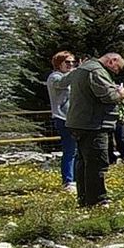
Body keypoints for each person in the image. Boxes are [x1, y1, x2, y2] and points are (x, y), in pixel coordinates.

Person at [63, 52, 124, 208]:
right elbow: (107, 95)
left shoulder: (84, 68)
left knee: (83, 162)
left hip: (80, 122)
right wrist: (121, 93)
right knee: (96, 162)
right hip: (93, 124)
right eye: (116, 69)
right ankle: (97, 199)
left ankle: (84, 198)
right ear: (112, 61)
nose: (114, 73)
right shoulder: (96, 71)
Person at [46, 51, 78, 192]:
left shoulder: (67, 76)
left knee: (76, 150)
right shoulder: (55, 77)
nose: (71, 65)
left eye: (73, 62)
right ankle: (68, 181)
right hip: (63, 118)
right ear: (59, 64)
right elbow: (62, 83)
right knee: (69, 150)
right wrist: (77, 72)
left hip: (73, 118)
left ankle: (76, 178)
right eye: (68, 62)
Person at [110, 80, 124, 164]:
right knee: (109, 139)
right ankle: (111, 157)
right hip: (110, 117)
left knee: (121, 137)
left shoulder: (119, 89)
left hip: (119, 118)